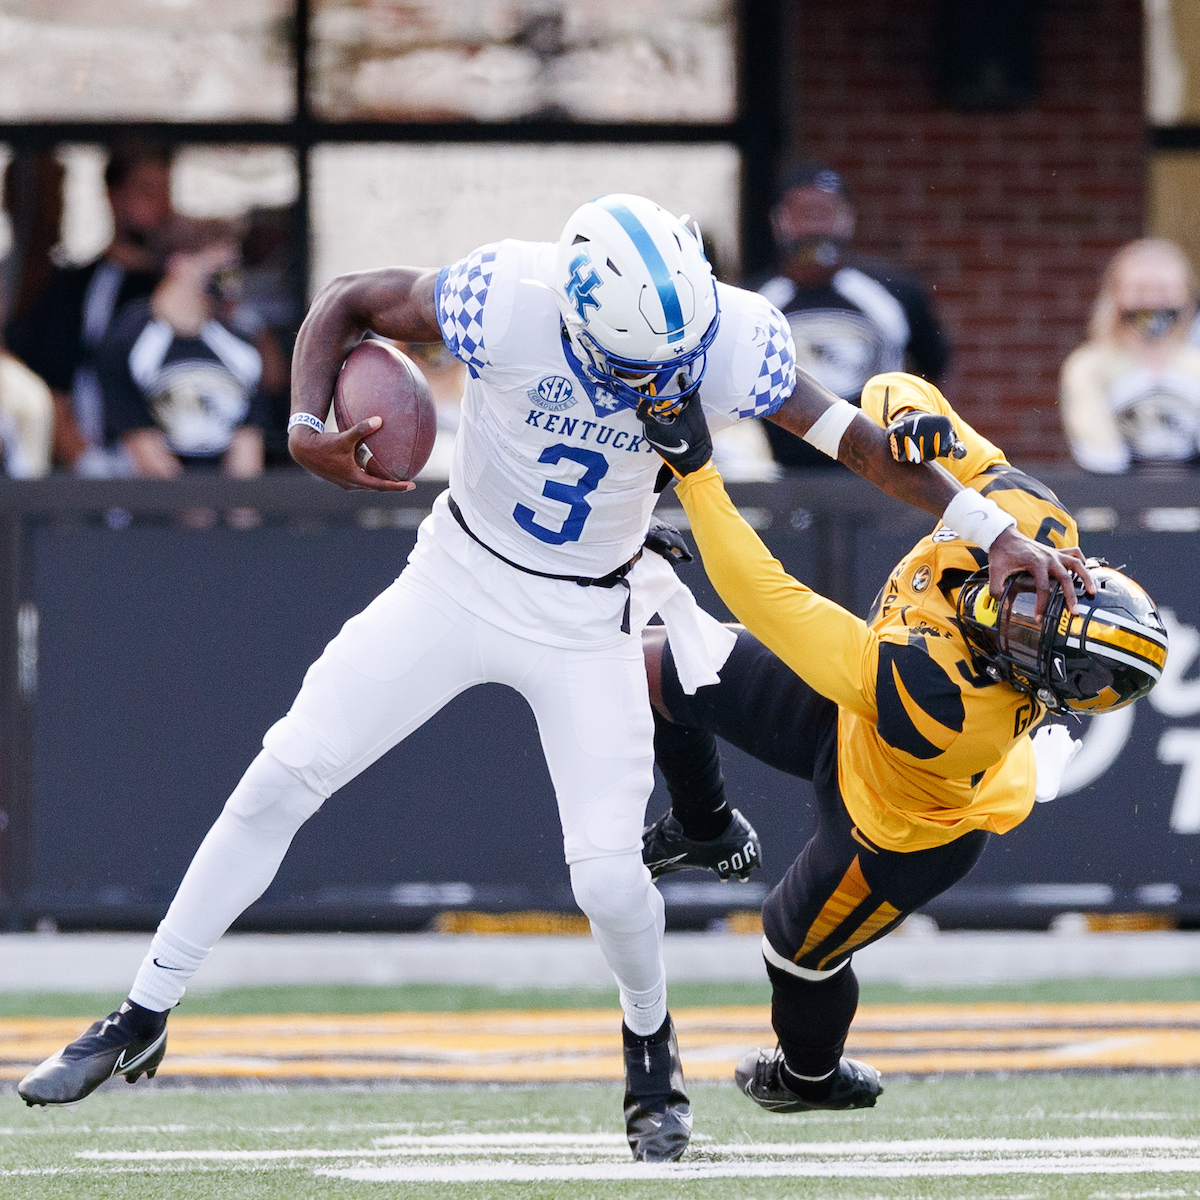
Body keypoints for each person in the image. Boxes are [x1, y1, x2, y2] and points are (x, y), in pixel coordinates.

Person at [19, 196, 1083, 1160]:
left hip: (590, 611)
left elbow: (857, 439)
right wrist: (302, 425)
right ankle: (141, 1011)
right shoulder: (507, 293)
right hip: (458, 574)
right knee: (283, 773)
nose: (651, 387)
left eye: (668, 363)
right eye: (627, 363)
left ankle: (650, 1060)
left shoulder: (731, 332)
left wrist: (986, 527)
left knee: (608, 877)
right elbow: (348, 303)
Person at [636, 370, 1167, 1114]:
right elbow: (889, 385)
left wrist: (696, 476)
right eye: (1056, 595)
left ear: (1032, 687)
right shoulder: (1033, 522)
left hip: (895, 824)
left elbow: (765, 596)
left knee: (795, 952)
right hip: (853, 705)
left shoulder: (945, 701)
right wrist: (918, 419)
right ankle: (704, 823)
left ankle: (811, 1079)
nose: (1023, 602)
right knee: (657, 671)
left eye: (1030, 631)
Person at [757, 163, 950, 469]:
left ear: (847, 218)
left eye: (824, 214)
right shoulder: (753, 299)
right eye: (803, 215)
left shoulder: (895, 292)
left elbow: (932, 367)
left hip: (879, 475)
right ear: (779, 221)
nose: (815, 228)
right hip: (780, 476)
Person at [5, 141, 173, 474]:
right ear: (113, 195)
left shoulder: (181, 286)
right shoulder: (75, 289)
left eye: (166, 191)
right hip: (103, 478)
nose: (161, 205)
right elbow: (52, 392)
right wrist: (92, 467)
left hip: (183, 476)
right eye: (146, 190)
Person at [98, 218, 266, 478]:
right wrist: (193, 512)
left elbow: (248, 444)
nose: (228, 277)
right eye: (219, 267)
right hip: (155, 510)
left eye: (233, 268)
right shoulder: (129, 338)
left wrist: (241, 513)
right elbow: (141, 442)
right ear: (179, 263)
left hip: (228, 504)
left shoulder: (240, 343)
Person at [1061, 239, 1200, 472]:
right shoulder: (1089, 366)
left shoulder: (1195, 366)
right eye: (1140, 290)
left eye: (1165, 290)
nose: (1152, 302)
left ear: (1186, 298)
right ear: (1115, 297)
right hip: (1113, 502)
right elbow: (1100, 456)